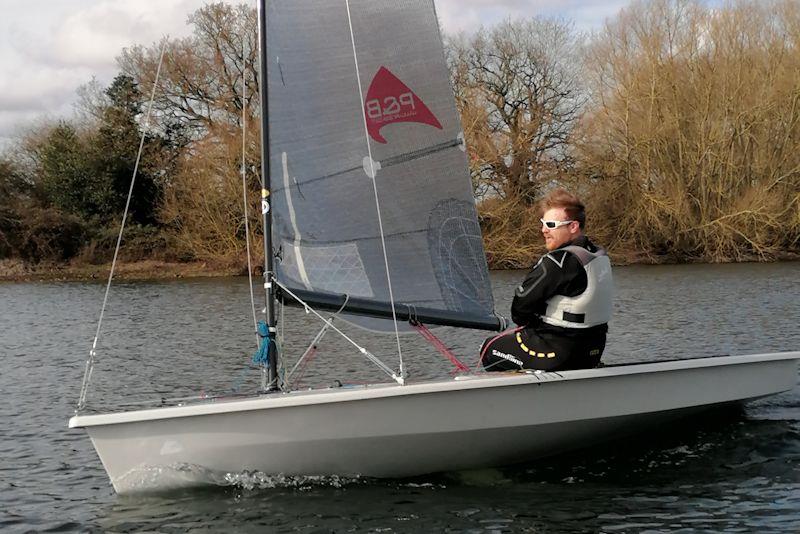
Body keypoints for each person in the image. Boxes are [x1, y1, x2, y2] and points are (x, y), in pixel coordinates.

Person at [481, 188, 613, 372]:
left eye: (551, 224)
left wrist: (533, 322)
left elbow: (520, 309)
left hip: (559, 353)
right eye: (543, 223)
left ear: (573, 226)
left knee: (489, 347)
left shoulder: (557, 262)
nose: (543, 230)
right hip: (592, 351)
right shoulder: (598, 255)